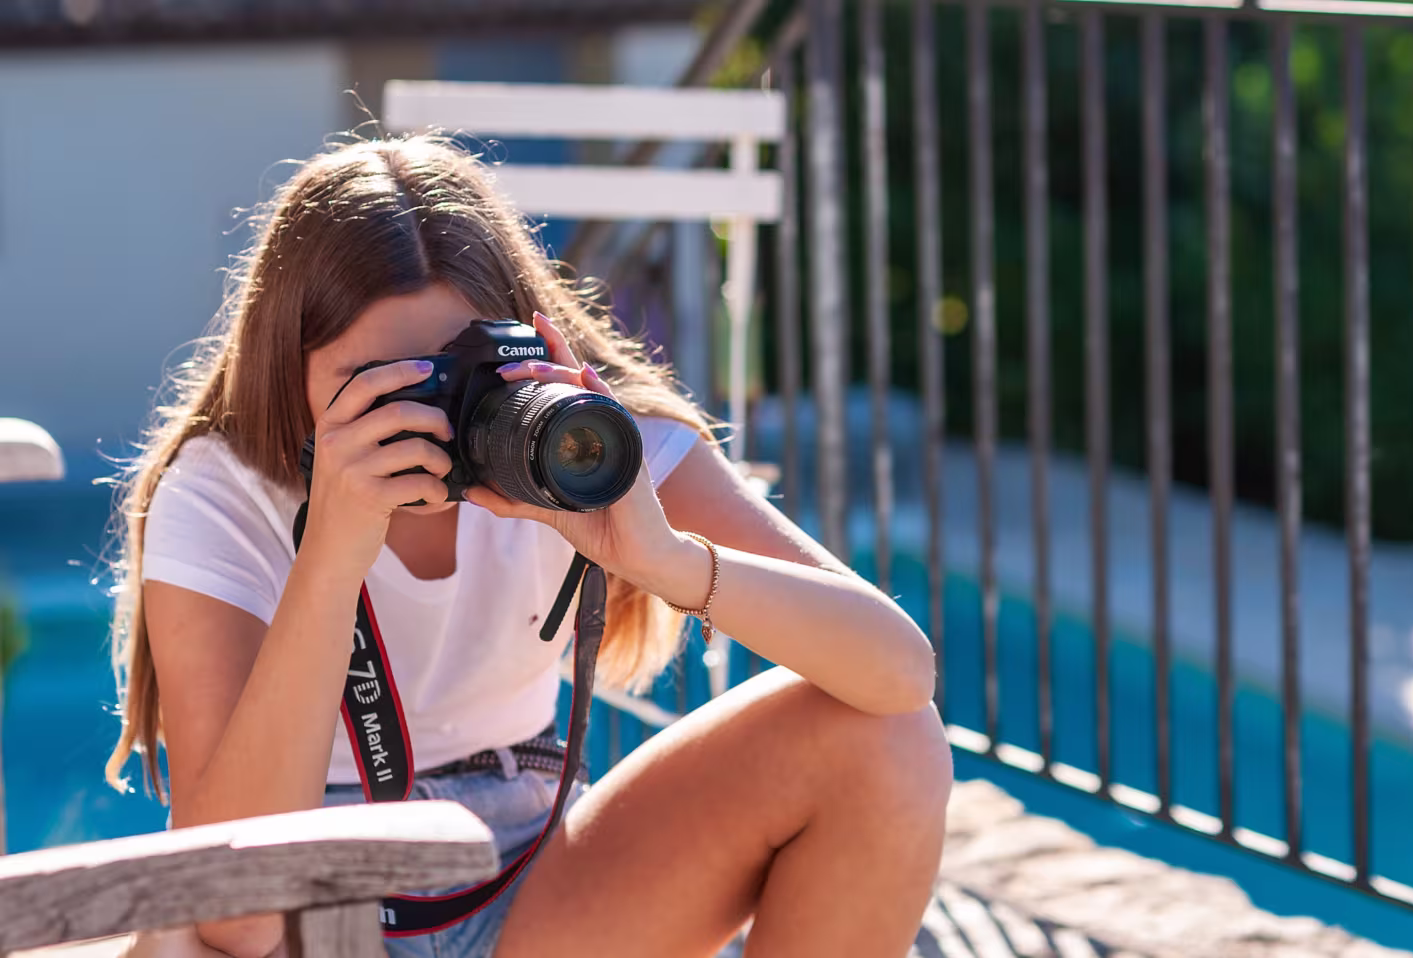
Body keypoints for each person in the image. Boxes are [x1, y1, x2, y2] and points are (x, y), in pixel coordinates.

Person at [106, 134, 951, 958]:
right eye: (381, 391)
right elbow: (237, 918)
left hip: (533, 879)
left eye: (453, 374)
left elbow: (900, 675)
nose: (422, 422)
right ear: (287, 366)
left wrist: (660, 558)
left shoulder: (587, 445)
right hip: (311, 891)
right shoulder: (222, 490)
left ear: (522, 341)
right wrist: (329, 557)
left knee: (887, 743)